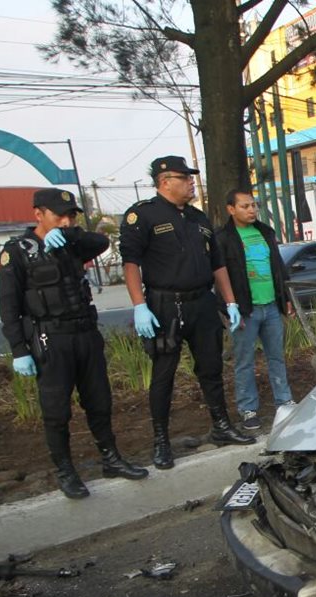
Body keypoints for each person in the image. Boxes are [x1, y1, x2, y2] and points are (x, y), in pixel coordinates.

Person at [0, 188, 148, 498]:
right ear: (38, 214)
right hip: (50, 339)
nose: (66, 221)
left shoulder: (73, 243)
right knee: (56, 411)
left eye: (71, 216)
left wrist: (70, 236)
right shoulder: (18, 251)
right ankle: (65, 470)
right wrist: (18, 350)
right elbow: (9, 307)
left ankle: (111, 458)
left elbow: (102, 242)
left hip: (85, 334)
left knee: (99, 401)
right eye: (59, 216)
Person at [120, 155, 254, 471]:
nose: (192, 182)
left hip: (202, 303)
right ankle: (161, 441)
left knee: (210, 368)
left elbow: (217, 264)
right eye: (186, 178)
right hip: (165, 305)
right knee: (164, 374)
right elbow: (130, 264)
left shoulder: (198, 218)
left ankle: (221, 426)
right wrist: (139, 305)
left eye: (192, 177)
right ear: (165, 181)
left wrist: (230, 301)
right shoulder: (144, 216)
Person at [214, 189, 295, 432]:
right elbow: (219, 274)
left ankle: (284, 400)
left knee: (276, 357)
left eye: (253, 205)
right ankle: (248, 409)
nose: (251, 210)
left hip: (270, 306)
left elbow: (278, 267)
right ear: (231, 209)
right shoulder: (223, 238)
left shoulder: (265, 232)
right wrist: (229, 308)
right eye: (245, 206)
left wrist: (286, 298)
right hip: (244, 310)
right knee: (244, 361)